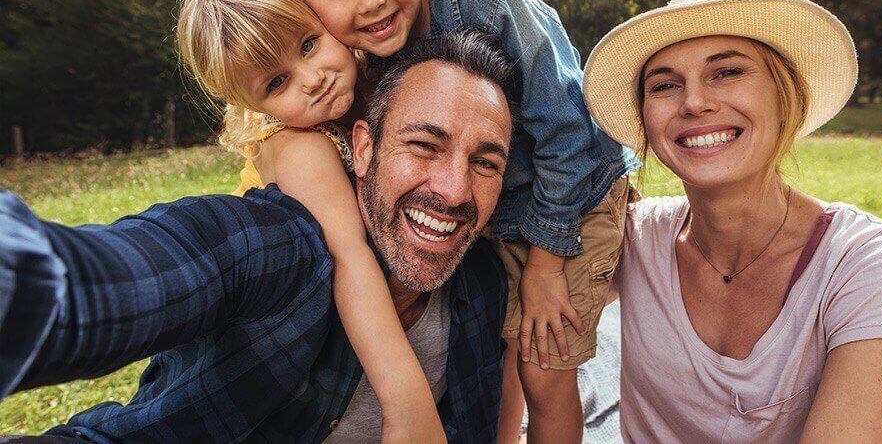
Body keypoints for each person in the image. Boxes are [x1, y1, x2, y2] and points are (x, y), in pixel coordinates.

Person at [243, 0, 638, 441]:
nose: (371, 1)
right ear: (305, 3)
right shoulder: (363, 55)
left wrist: (547, 266)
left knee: (543, 362)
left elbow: (573, 134)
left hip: (578, 198)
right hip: (490, 205)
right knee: (503, 347)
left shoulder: (493, 5)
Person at [0, 30, 513, 443]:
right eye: (424, 145)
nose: (453, 190)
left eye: (485, 162)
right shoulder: (276, 247)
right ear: (361, 149)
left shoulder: (485, 285)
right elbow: (111, 282)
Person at [582, 0, 882, 443]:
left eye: (727, 72)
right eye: (665, 85)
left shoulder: (875, 267)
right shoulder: (633, 238)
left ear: (784, 96)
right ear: (646, 123)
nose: (694, 102)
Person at [176, 0, 444, 440]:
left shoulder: (366, 84)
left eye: (308, 44)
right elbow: (349, 259)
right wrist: (407, 402)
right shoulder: (303, 149)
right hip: (263, 343)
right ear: (251, 104)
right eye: (277, 83)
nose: (312, 78)